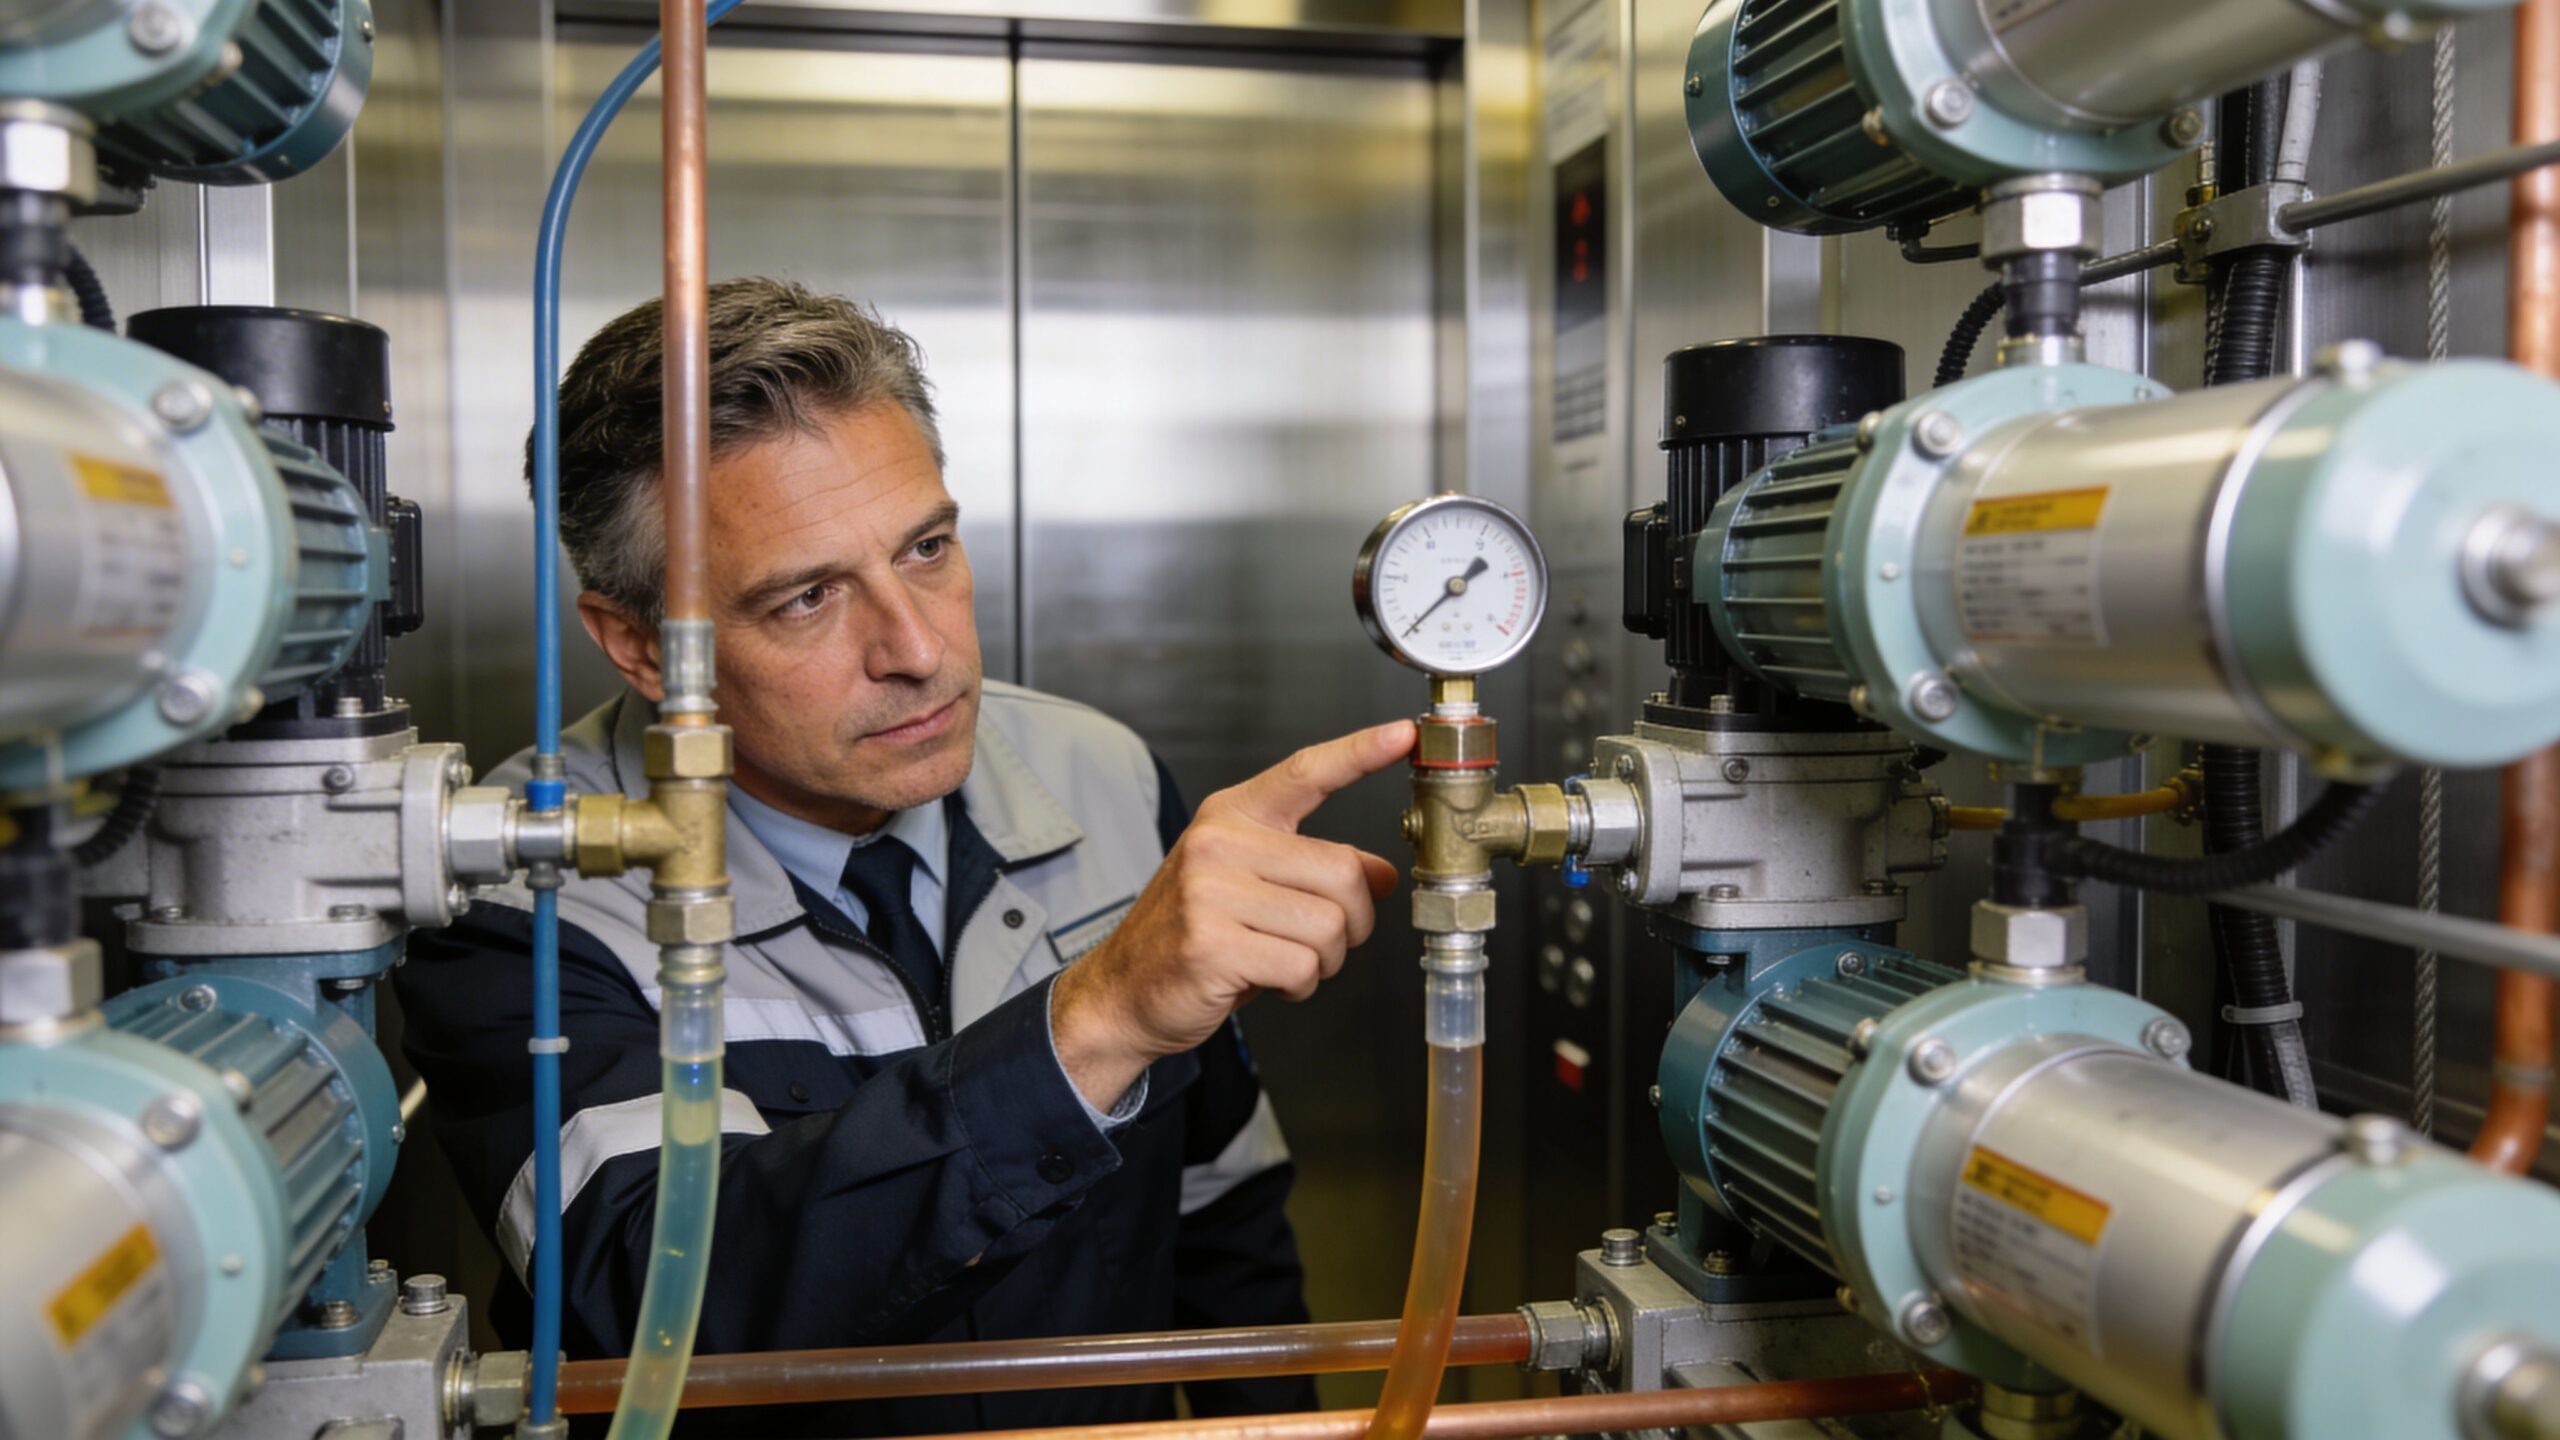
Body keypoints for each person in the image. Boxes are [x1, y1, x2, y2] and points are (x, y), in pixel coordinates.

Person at [396, 277, 1413, 1435]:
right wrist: (1093, 1021)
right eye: (806, 599)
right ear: (635, 643)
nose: (918, 650)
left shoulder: (1103, 772)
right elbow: (655, 1301)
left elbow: (1218, 1207)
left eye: (926, 547)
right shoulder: (521, 892)